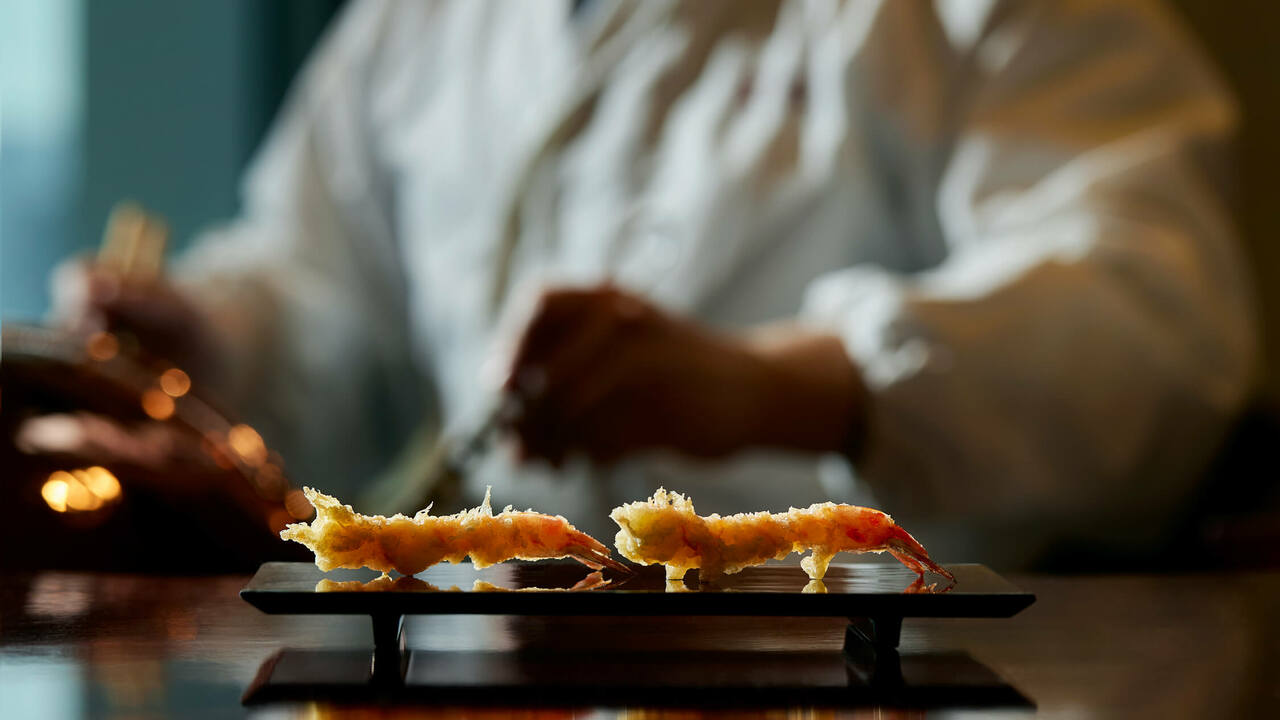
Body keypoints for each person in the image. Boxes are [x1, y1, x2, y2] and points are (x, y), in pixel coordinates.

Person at [53, 0, 1257, 569]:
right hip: (500, 684)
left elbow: (1158, 326)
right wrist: (218, 341)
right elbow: (322, 291)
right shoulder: (421, 28)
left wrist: (788, 385)